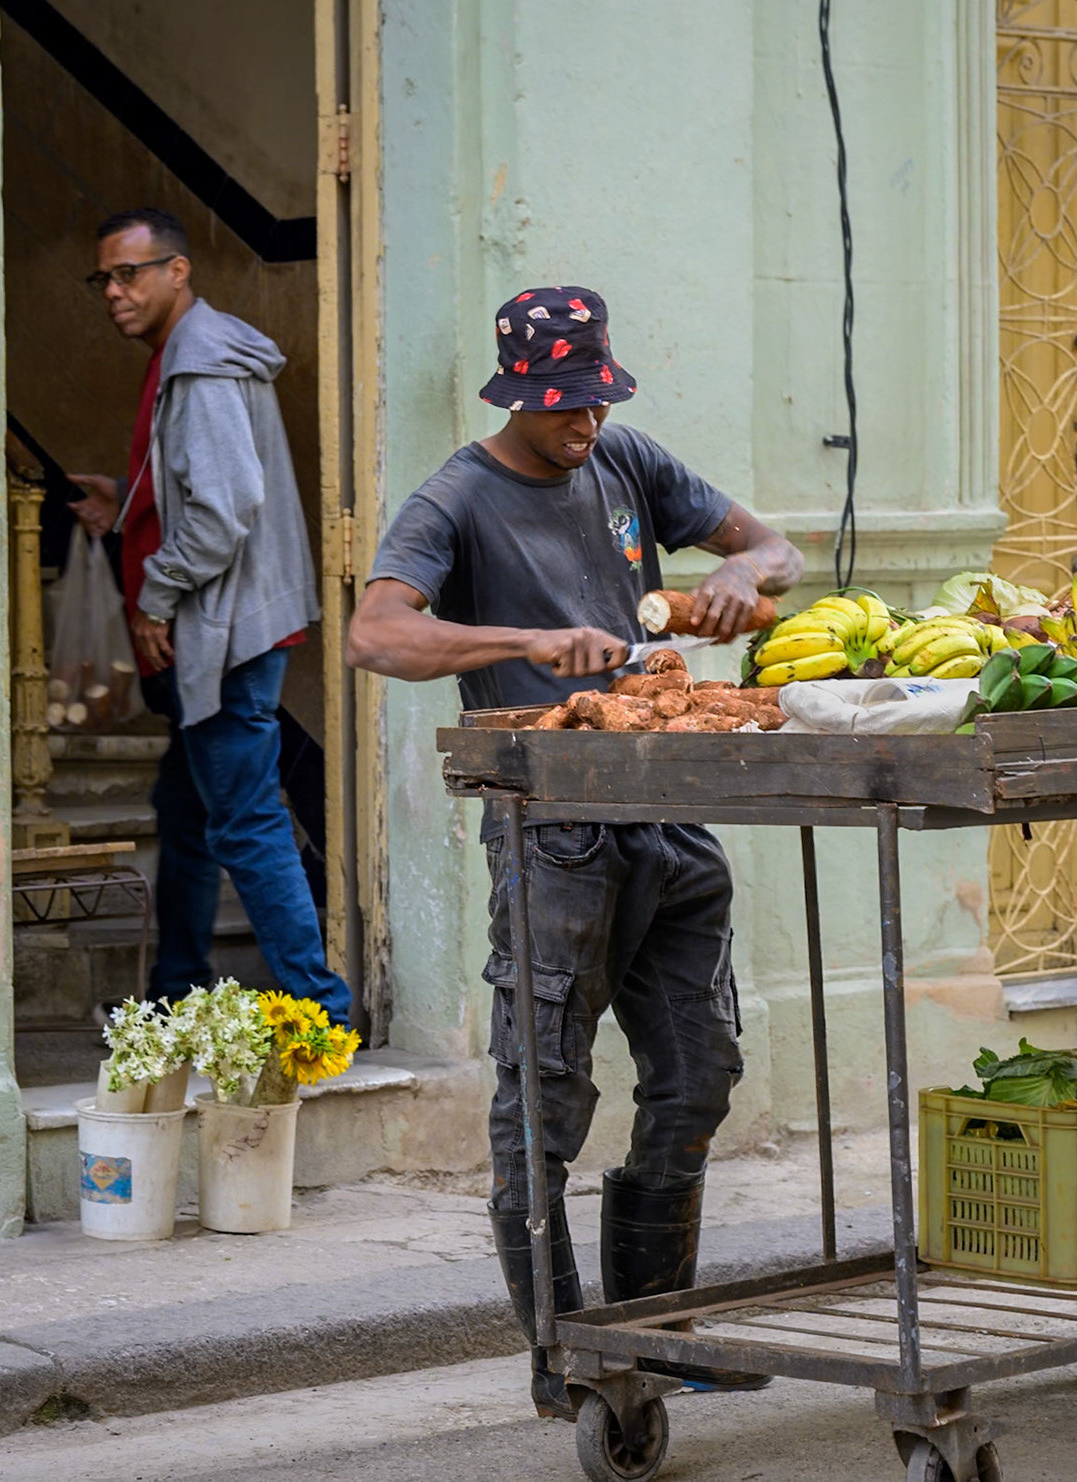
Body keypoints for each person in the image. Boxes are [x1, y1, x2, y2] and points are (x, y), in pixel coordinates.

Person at [345, 286, 804, 1421]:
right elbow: (377, 631)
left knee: (701, 1073)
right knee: (545, 1095)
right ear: (514, 397)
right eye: (563, 410)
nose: (583, 427)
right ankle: (563, 1352)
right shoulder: (458, 498)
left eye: (596, 402)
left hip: (673, 819)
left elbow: (770, 542)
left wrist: (743, 576)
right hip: (553, 842)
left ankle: (652, 1330)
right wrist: (526, 639)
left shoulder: (627, 459)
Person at [67, 207, 350, 1026]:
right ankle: (179, 986)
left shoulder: (201, 363)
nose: (114, 293)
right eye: (104, 279)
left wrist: (156, 593)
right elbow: (203, 487)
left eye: (130, 274)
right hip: (218, 627)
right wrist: (129, 507)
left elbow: (226, 509)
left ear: (178, 270)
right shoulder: (190, 352)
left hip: (221, 633)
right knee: (185, 815)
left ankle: (321, 1011)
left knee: (247, 820)